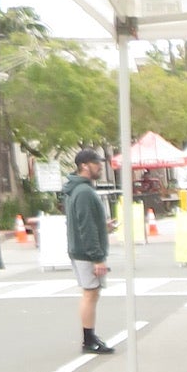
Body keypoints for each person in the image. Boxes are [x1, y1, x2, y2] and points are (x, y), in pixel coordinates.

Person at [62, 147, 114, 355]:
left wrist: (104, 226)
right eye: (96, 163)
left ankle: (90, 336)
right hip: (86, 252)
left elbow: (83, 222)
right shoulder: (83, 191)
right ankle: (88, 339)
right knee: (90, 293)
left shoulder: (77, 190)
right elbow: (86, 226)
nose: (100, 166)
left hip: (81, 249)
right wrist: (97, 258)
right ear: (84, 165)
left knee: (91, 293)